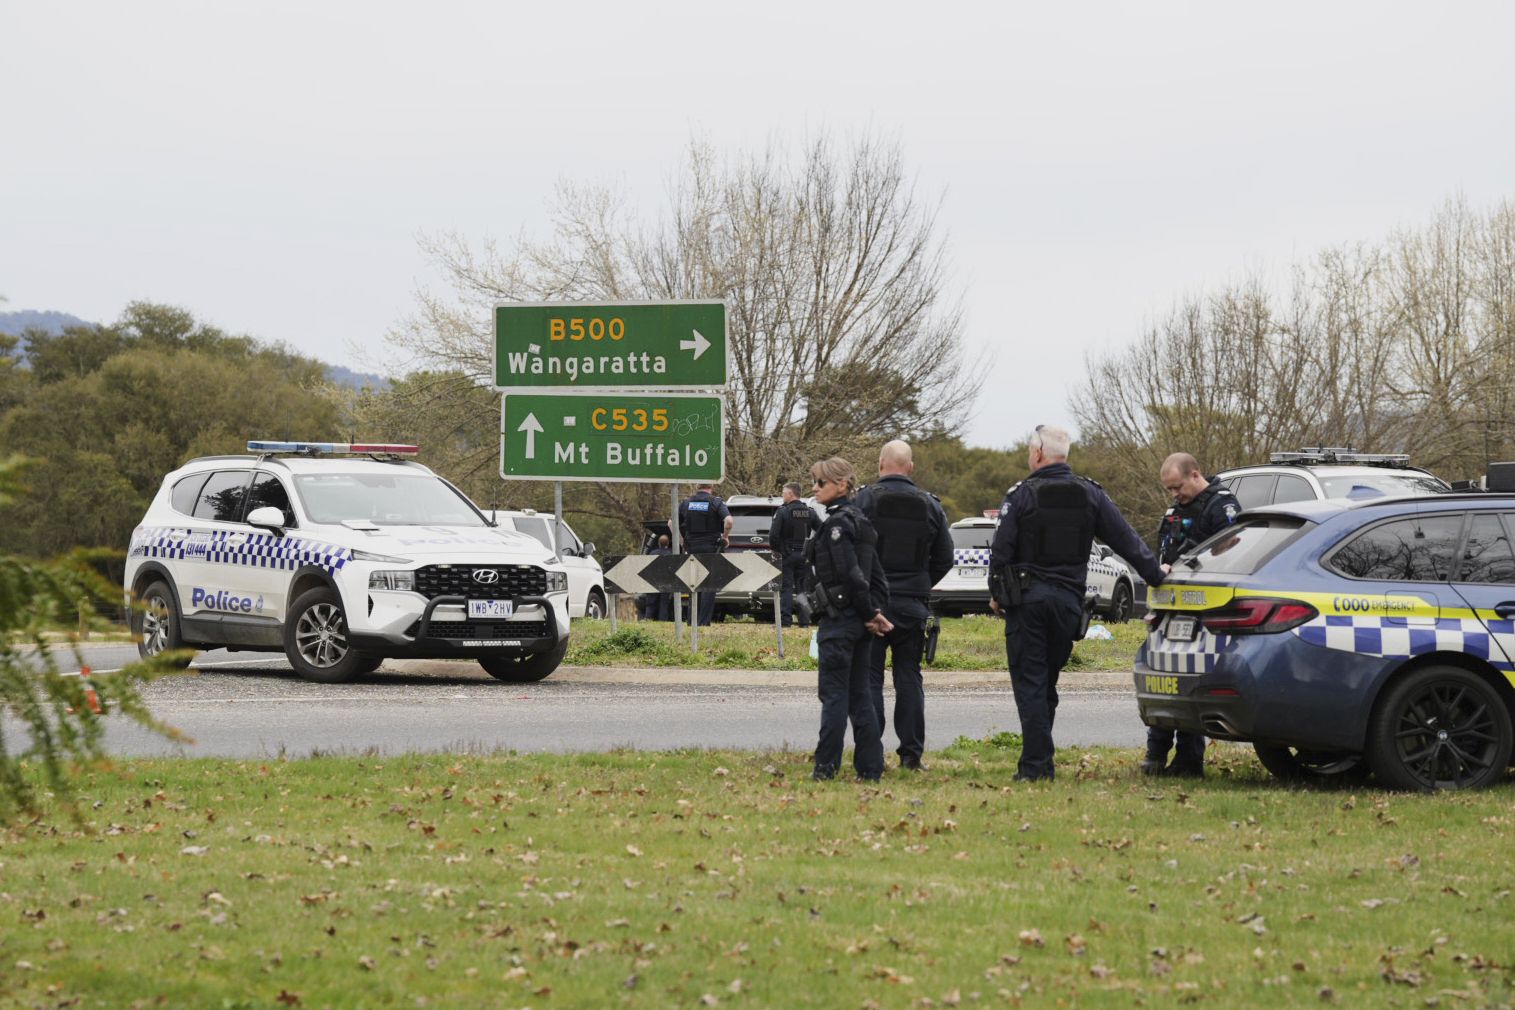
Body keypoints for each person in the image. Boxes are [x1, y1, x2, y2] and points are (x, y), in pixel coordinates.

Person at [989, 425, 1165, 782]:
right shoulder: (1090, 494)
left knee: (1031, 684)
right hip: (1068, 606)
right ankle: (1040, 761)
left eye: (1028, 450)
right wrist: (1156, 574)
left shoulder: (1022, 495)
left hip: (1029, 603)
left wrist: (996, 594)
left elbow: (1001, 551)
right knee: (1046, 682)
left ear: (1038, 453)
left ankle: (1035, 768)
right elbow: (1125, 539)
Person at [855, 440, 953, 771]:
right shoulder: (930, 505)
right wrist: (920, 583)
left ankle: (870, 753)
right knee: (909, 676)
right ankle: (911, 756)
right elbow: (945, 557)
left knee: (869, 678)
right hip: (912, 604)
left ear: (881, 464)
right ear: (910, 467)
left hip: (872, 604)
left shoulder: (864, 500)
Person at [1142, 453, 1240, 777]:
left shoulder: (1222, 506)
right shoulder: (1176, 509)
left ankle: (1188, 761)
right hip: (1171, 606)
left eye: (1177, 487)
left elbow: (1230, 548)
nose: (1174, 495)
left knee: (1189, 683)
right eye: (1169, 490)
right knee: (1162, 679)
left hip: (1201, 608)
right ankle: (1155, 754)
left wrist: (1186, 561)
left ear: (1195, 474)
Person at [806, 456, 892, 782]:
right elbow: (878, 578)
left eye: (821, 483)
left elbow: (854, 576)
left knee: (834, 697)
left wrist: (871, 613)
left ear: (841, 485)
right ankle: (870, 769)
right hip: (860, 623)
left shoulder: (838, 526)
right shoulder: (863, 522)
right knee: (861, 697)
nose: (815, 488)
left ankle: (825, 768)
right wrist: (875, 613)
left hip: (841, 622)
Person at [678, 482, 732, 626]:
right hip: (711, 549)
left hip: (692, 548)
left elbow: (671, 523)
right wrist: (725, 537)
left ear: (697, 487)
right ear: (711, 488)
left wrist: (682, 540)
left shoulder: (686, 503)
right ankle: (703, 622)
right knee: (708, 585)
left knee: (694, 583)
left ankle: (691, 621)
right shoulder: (716, 502)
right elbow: (728, 521)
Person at [769, 482, 821, 627]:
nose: (782, 495)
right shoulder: (810, 512)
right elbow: (823, 530)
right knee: (802, 588)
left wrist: (778, 550)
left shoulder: (783, 512)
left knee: (786, 588)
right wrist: (812, 547)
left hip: (787, 555)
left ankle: (785, 622)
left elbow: (773, 536)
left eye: (783, 493)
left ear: (791, 494)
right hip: (804, 555)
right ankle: (804, 621)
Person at [638, 533, 673, 621]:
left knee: (650, 602)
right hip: (666, 582)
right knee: (664, 603)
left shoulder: (652, 553)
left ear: (658, 543)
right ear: (668, 543)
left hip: (653, 581)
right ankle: (663, 621)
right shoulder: (671, 554)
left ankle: (648, 618)